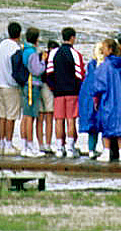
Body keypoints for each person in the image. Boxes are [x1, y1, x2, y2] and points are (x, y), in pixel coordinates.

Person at [92, 38, 121, 162]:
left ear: (110, 49)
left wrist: (95, 97)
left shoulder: (105, 66)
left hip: (108, 99)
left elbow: (98, 85)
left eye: (104, 48)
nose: (102, 50)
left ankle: (106, 152)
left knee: (106, 126)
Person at [45, 27, 86, 158]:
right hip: (72, 92)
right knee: (71, 120)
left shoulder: (53, 53)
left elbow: (49, 73)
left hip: (58, 92)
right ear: (73, 37)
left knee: (58, 120)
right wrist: (78, 89)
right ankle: (70, 148)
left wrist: (54, 88)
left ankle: (59, 148)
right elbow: (80, 75)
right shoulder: (75, 54)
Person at [18, 27, 49, 157]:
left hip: (24, 84)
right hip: (33, 85)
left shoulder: (24, 50)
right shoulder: (32, 52)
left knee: (25, 115)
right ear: (36, 39)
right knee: (30, 116)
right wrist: (43, 61)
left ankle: (24, 145)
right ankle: (30, 146)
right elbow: (37, 70)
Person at [0, 21, 23, 155]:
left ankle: (1, 144)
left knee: (2, 116)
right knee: (11, 116)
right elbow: (17, 68)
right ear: (19, 34)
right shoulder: (15, 48)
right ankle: (9, 144)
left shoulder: (1, 44)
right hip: (11, 86)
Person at [78, 42, 105, 159]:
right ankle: (106, 150)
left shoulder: (91, 66)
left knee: (92, 128)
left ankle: (91, 150)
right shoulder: (105, 66)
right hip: (102, 99)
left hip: (89, 99)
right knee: (104, 127)